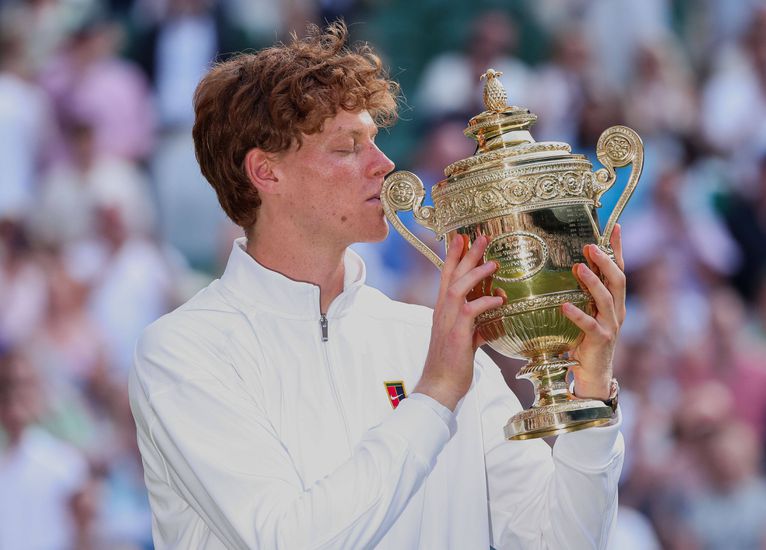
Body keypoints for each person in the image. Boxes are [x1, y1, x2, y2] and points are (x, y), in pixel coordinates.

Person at [129, 22, 626, 549]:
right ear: (266, 173)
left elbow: (563, 542)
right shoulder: (183, 352)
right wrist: (433, 398)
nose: (384, 165)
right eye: (347, 148)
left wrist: (591, 399)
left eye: (376, 141)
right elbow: (287, 541)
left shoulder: (433, 343)